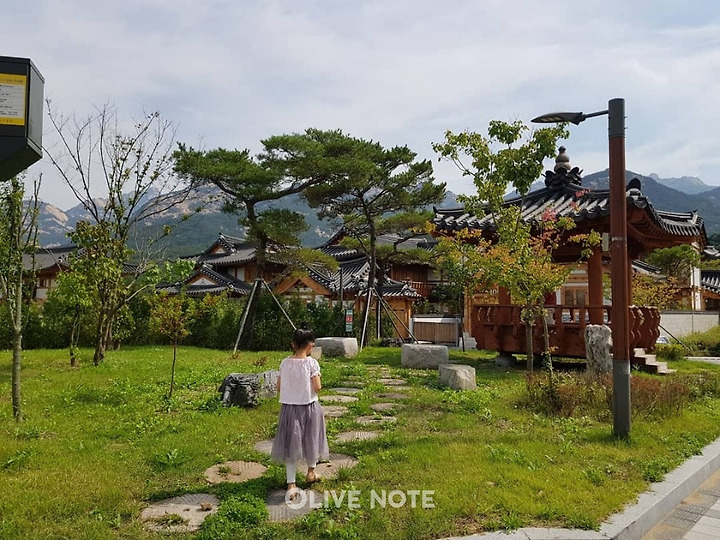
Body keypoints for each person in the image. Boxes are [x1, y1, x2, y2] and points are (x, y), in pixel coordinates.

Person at [271, 325, 329, 500]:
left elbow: (279, 386)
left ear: (293, 344)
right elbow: (317, 387)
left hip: (289, 409)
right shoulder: (312, 363)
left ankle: (291, 482)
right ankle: (311, 472)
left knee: (291, 445)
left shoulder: (284, 362)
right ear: (310, 345)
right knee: (312, 440)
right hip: (309, 407)